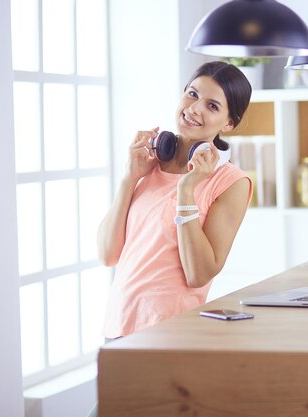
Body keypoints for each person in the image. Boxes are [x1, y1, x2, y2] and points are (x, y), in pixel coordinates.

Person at [97, 60, 253, 341]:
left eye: (212, 106)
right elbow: (108, 254)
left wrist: (186, 191)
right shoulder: (147, 165)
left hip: (171, 334)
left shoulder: (231, 183)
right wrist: (129, 178)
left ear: (229, 123)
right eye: (192, 94)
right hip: (118, 327)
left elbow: (199, 274)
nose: (194, 108)